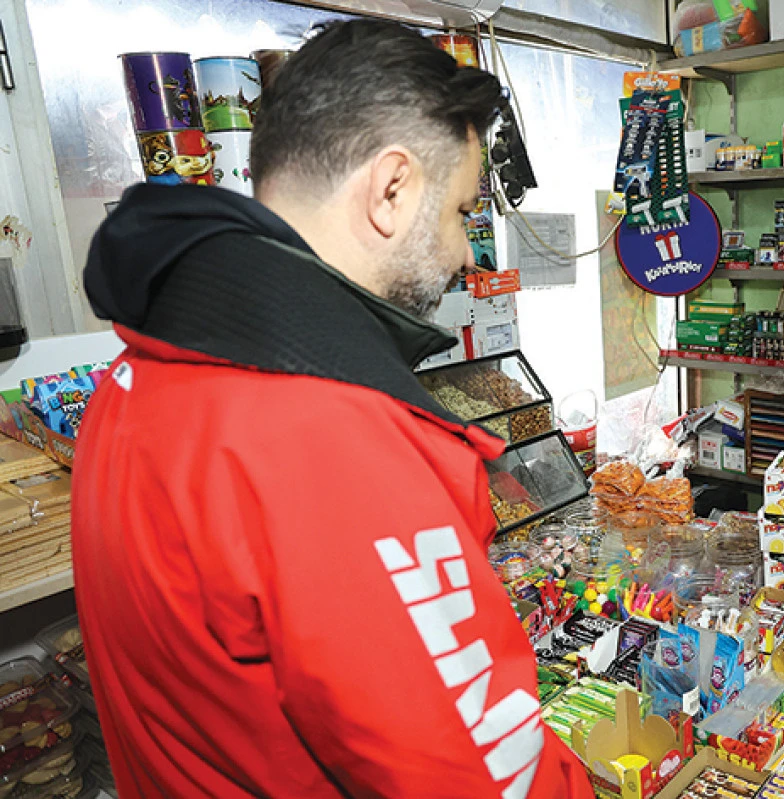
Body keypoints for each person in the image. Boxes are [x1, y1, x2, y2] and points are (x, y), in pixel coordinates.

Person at [72, 20, 593, 799]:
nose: (465, 254)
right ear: (391, 190)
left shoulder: (137, 371)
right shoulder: (330, 435)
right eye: (460, 211)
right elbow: (480, 777)